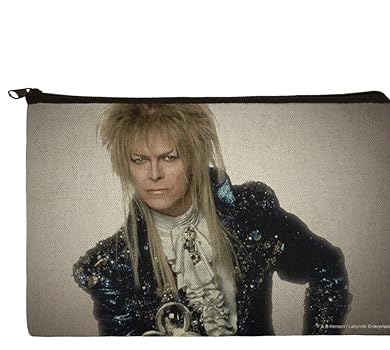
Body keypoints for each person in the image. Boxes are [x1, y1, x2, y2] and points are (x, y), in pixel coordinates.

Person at [72, 103, 351, 336]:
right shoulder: (112, 267)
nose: (154, 174)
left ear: (194, 156)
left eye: (169, 157)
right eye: (139, 160)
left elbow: (327, 267)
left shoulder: (251, 211)